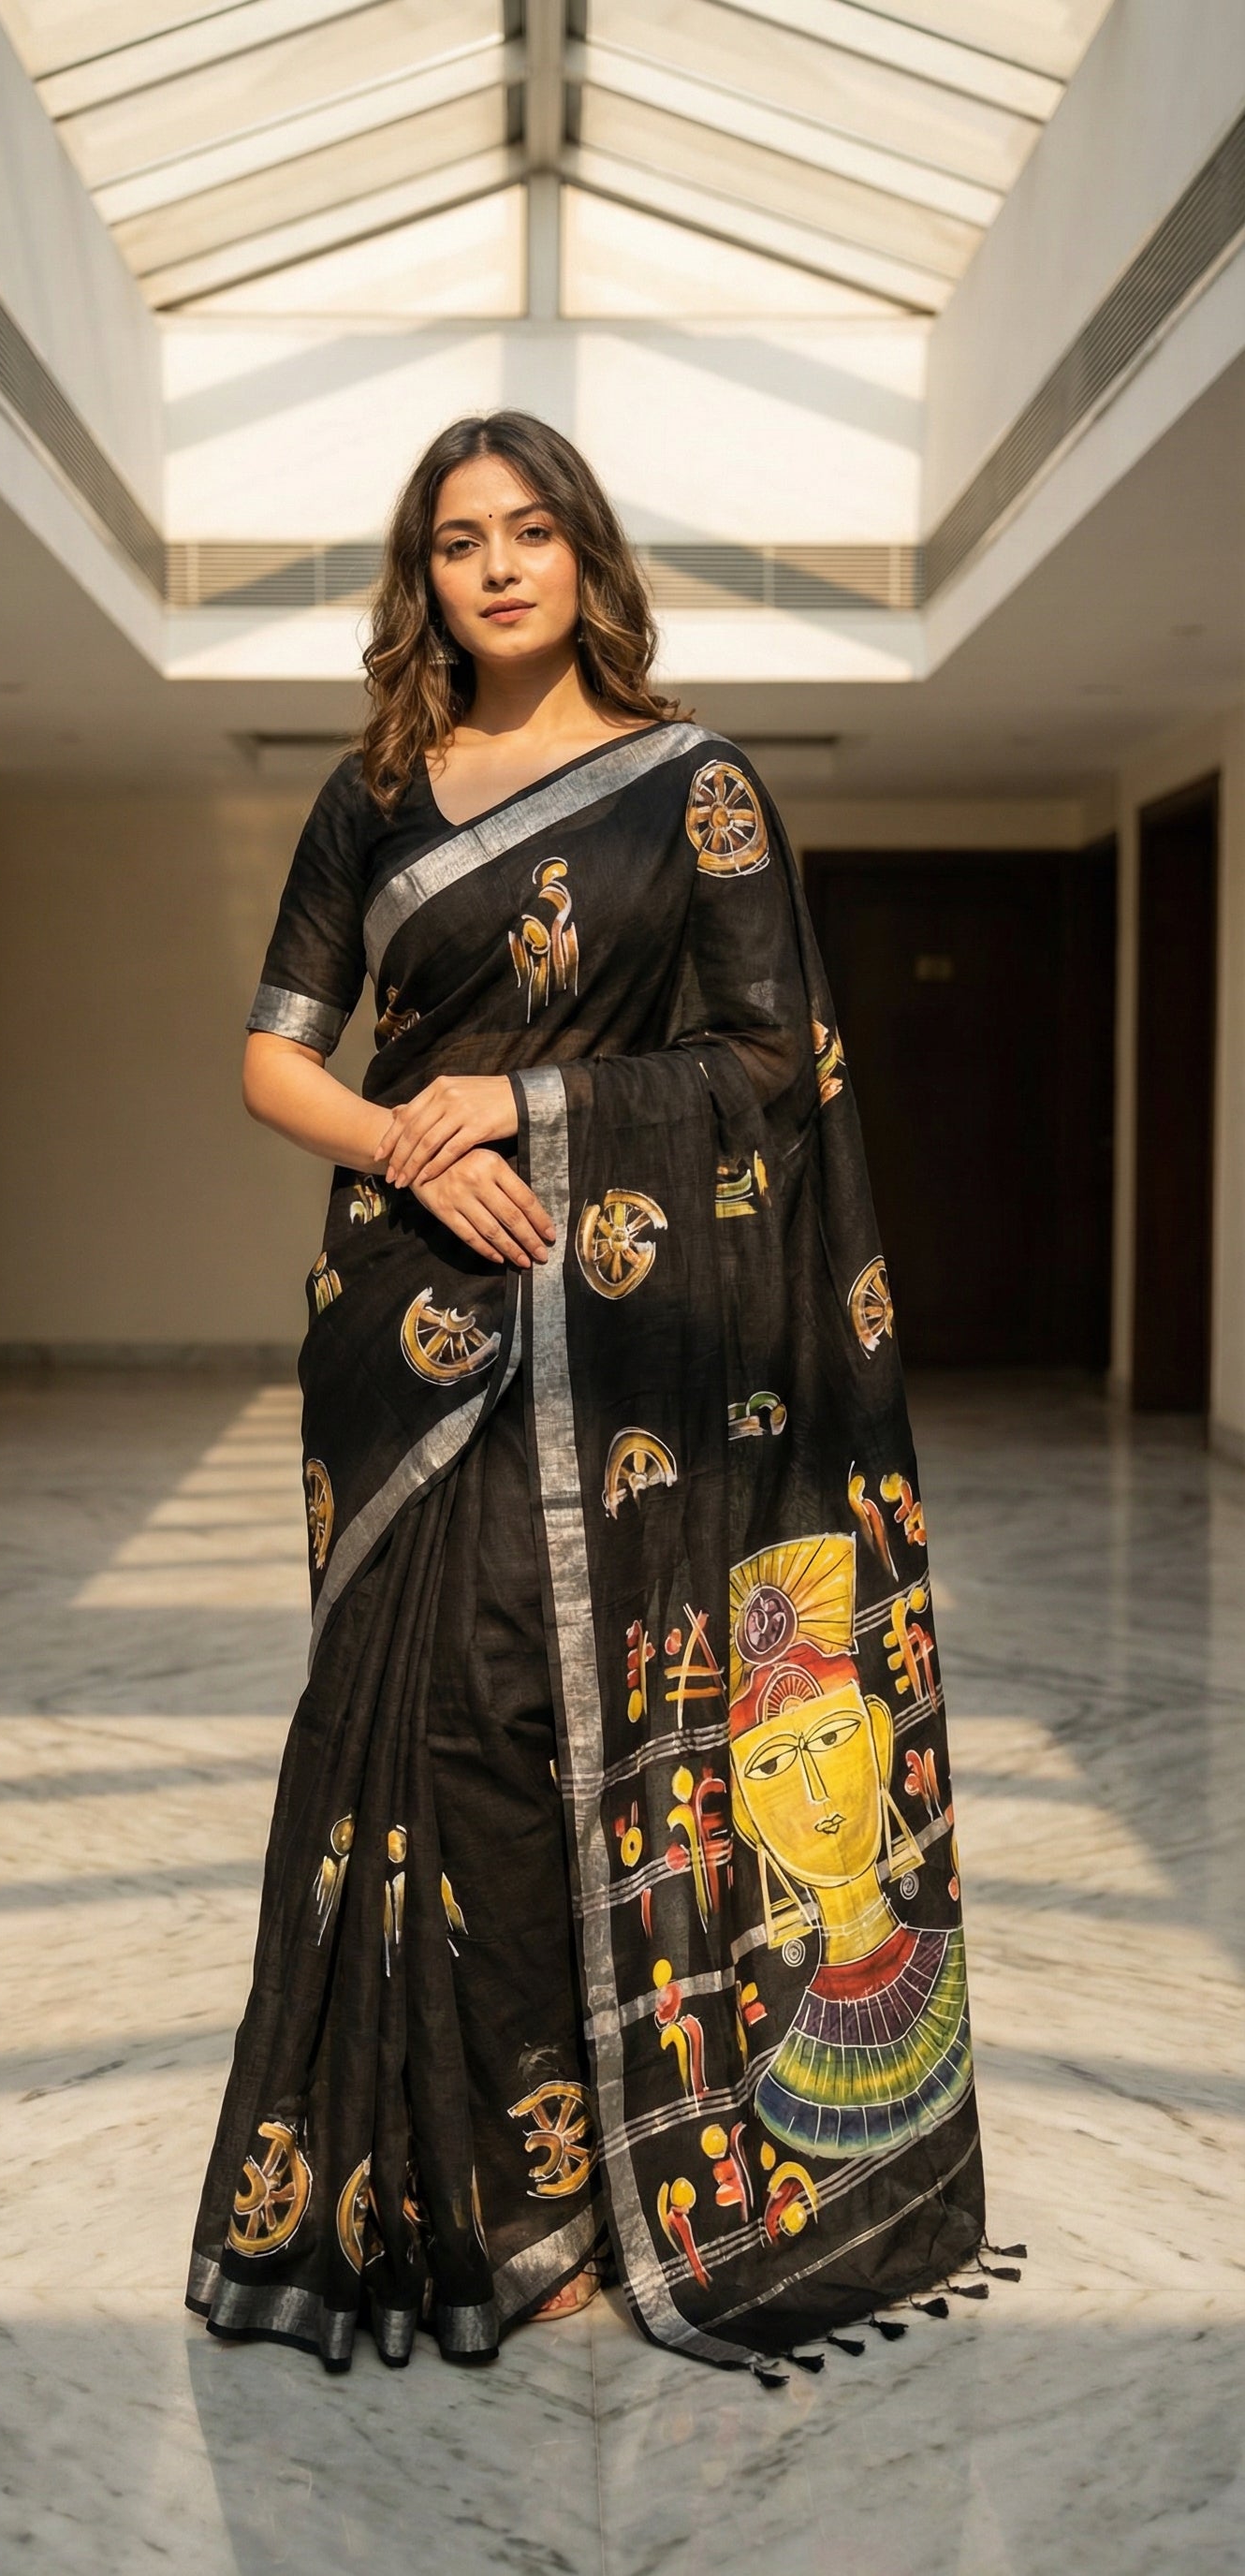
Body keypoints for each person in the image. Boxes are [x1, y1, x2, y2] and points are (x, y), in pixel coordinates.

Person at [186, 410, 986, 2377]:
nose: (498, 565)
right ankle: (446, 2186)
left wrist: (527, 1101)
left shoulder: (697, 787)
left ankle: (583, 2180)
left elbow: (770, 1055)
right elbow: (271, 1057)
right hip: (404, 1324)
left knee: (567, 1726)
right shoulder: (376, 790)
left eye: (531, 528)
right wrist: (403, 1138)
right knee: (423, 1730)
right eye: (457, 539)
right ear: (424, 577)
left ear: (586, 552)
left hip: (627, 1337)